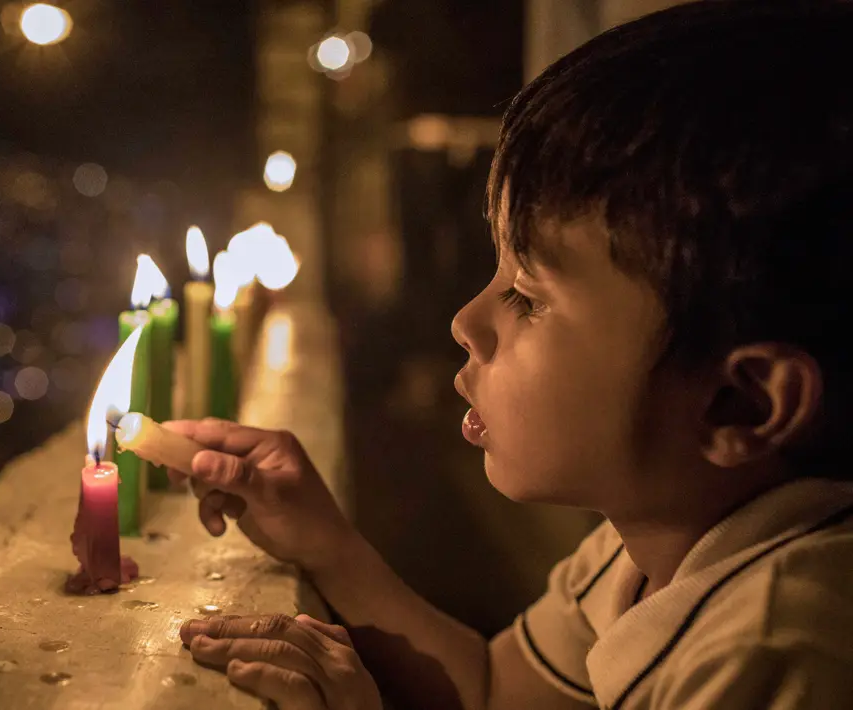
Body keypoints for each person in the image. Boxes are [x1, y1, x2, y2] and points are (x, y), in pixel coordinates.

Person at [167, 1, 853, 708]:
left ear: (740, 404)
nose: (466, 322)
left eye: (527, 298)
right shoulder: (665, 535)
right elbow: (496, 691)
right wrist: (328, 549)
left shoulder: (775, 654)